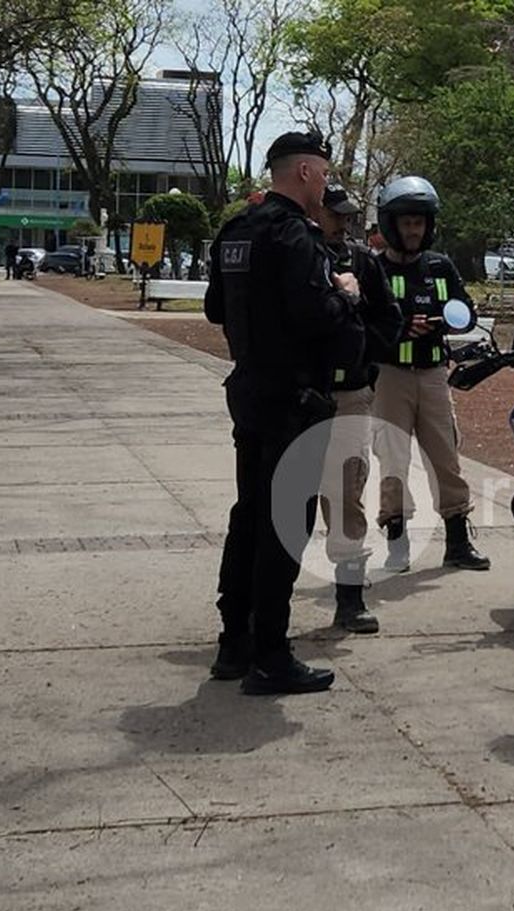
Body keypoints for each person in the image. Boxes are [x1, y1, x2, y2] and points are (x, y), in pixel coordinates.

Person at [202, 131, 367, 695]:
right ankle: (271, 654)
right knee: (283, 525)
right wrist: (344, 292)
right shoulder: (295, 235)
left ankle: (234, 642)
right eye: (323, 172)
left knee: (249, 514)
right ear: (303, 173)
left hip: (247, 389)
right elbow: (315, 315)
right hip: (293, 398)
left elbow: (215, 307)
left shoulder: (235, 230)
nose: (327, 183)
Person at [371, 176, 489, 573]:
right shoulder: (374, 268)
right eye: (406, 222)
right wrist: (400, 325)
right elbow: (361, 320)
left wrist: (443, 322)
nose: (413, 230)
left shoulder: (440, 266)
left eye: (419, 222)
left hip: (434, 375)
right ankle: (397, 544)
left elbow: (466, 312)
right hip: (389, 376)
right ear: (390, 224)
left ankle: (457, 542)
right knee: (393, 460)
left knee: (445, 455)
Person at [313, 184, 403, 633]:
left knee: (347, 491)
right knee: (288, 494)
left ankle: (350, 596)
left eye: (347, 215)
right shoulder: (296, 254)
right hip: (299, 394)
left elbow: (390, 319)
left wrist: (363, 353)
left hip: (349, 394)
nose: (342, 222)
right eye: (335, 214)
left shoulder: (363, 261)